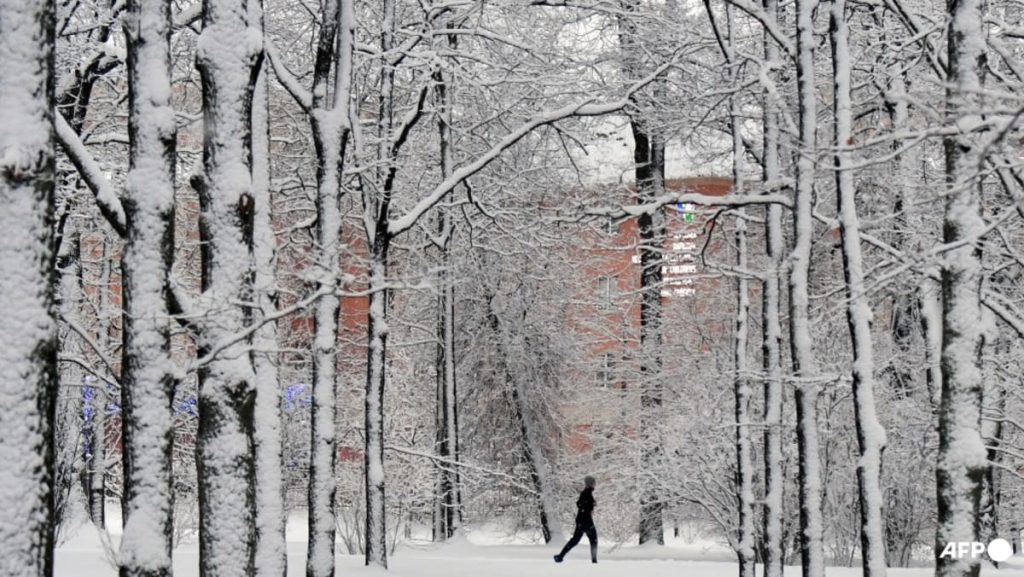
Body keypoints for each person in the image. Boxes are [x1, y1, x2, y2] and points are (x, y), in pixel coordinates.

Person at [554, 475, 598, 564]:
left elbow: (580, 504)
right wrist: (592, 504)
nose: (595, 485)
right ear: (590, 484)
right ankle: (594, 561)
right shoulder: (587, 493)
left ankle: (560, 556)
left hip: (581, 520)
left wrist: (591, 504)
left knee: (575, 540)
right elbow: (581, 504)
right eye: (594, 483)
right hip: (586, 521)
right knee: (593, 540)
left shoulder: (586, 493)